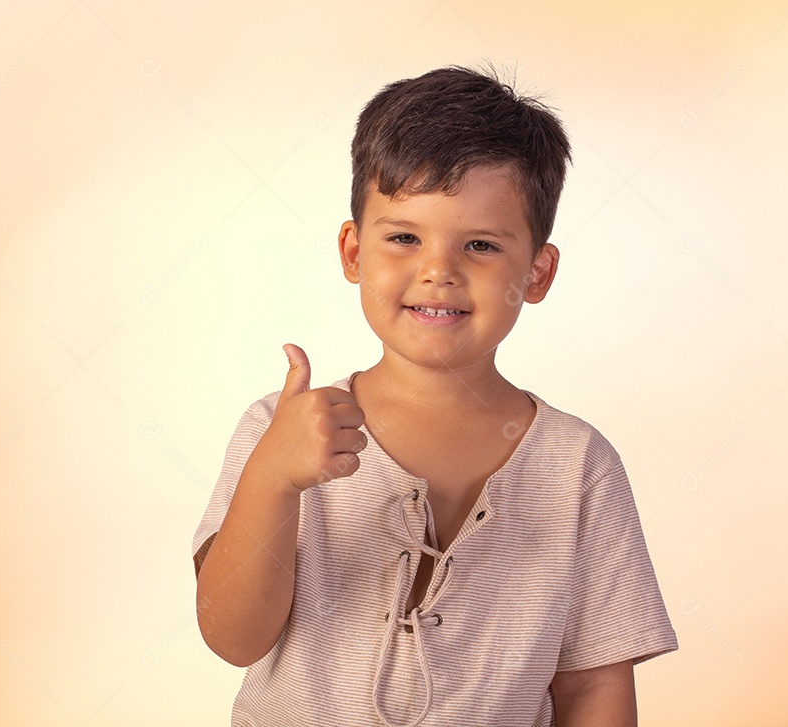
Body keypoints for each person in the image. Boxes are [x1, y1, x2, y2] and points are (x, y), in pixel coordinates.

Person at [192, 64, 678, 727]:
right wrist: (274, 478)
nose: (438, 270)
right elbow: (232, 636)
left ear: (537, 272)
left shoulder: (577, 466)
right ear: (353, 252)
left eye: (480, 244)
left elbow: (594, 687)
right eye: (404, 237)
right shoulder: (279, 430)